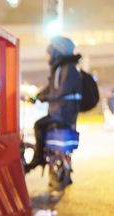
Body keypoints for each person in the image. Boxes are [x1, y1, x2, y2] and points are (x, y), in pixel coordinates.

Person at [27, 36, 83, 171]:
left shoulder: (67, 69)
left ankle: (38, 158)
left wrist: (44, 98)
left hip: (63, 112)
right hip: (62, 110)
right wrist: (37, 96)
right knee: (45, 127)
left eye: (51, 51)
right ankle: (47, 155)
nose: (49, 55)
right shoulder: (61, 68)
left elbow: (60, 91)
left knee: (38, 125)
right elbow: (51, 88)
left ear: (58, 52)